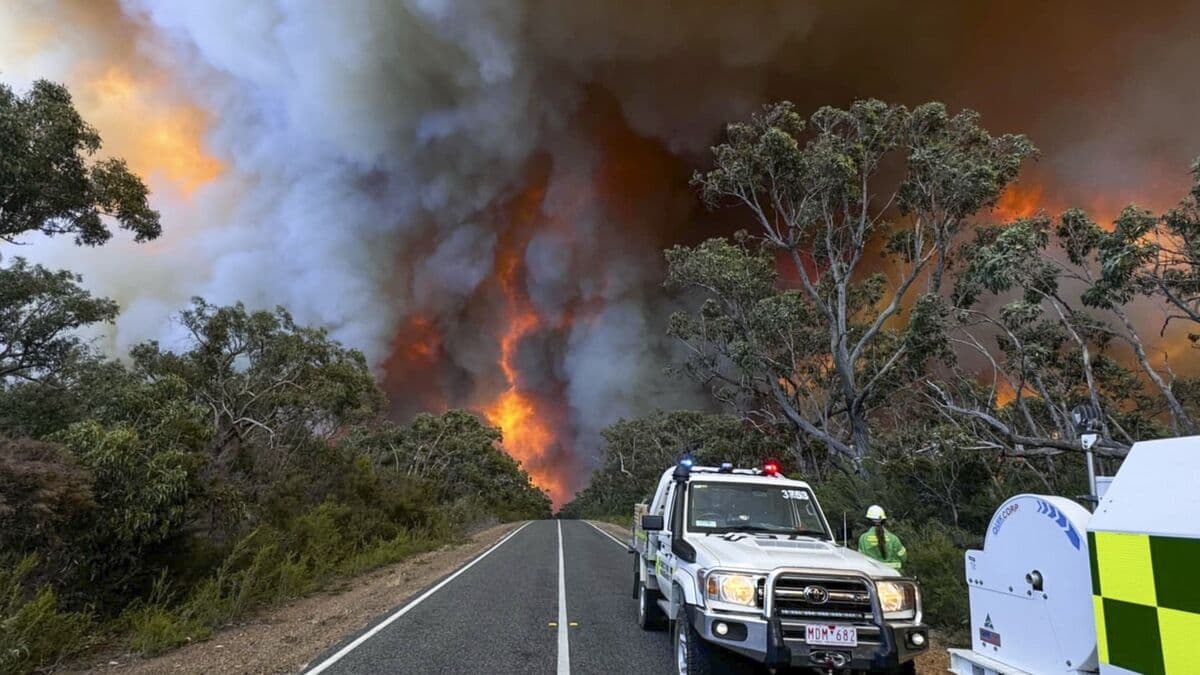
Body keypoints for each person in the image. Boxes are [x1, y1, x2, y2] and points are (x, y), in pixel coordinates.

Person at [858, 505, 907, 571]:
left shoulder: (863, 539)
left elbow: (860, 559)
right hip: (893, 577)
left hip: (872, 577)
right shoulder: (894, 538)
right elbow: (904, 558)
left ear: (868, 521)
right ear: (884, 521)